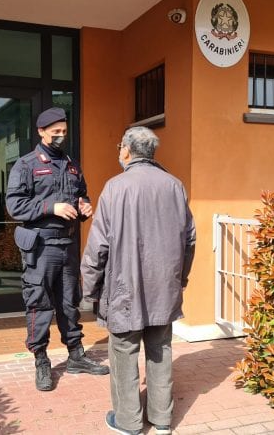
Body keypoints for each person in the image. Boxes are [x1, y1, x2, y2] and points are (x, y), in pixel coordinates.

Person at [81, 127, 196, 435]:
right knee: (160, 349)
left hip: (124, 288)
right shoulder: (174, 186)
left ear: (127, 151)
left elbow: (97, 246)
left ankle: (128, 422)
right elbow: (189, 240)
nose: (119, 152)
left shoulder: (115, 187)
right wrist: (181, 278)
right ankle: (162, 419)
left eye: (120, 147)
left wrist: (89, 290)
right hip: (164, 287)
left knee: (123, 352)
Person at [5, 107, 110, 392]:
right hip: (41, 246)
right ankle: (41, 360)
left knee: (69, 302)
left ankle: (76, 355)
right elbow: (14, 205)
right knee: (39, 303)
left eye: (64, 131)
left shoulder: (71, 164)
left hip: (67, 244)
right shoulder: (26, 165)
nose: (61, 136)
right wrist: (51, 207)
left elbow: (81, 195)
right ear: (41, 132)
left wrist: (84, 207)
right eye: (55, 132)